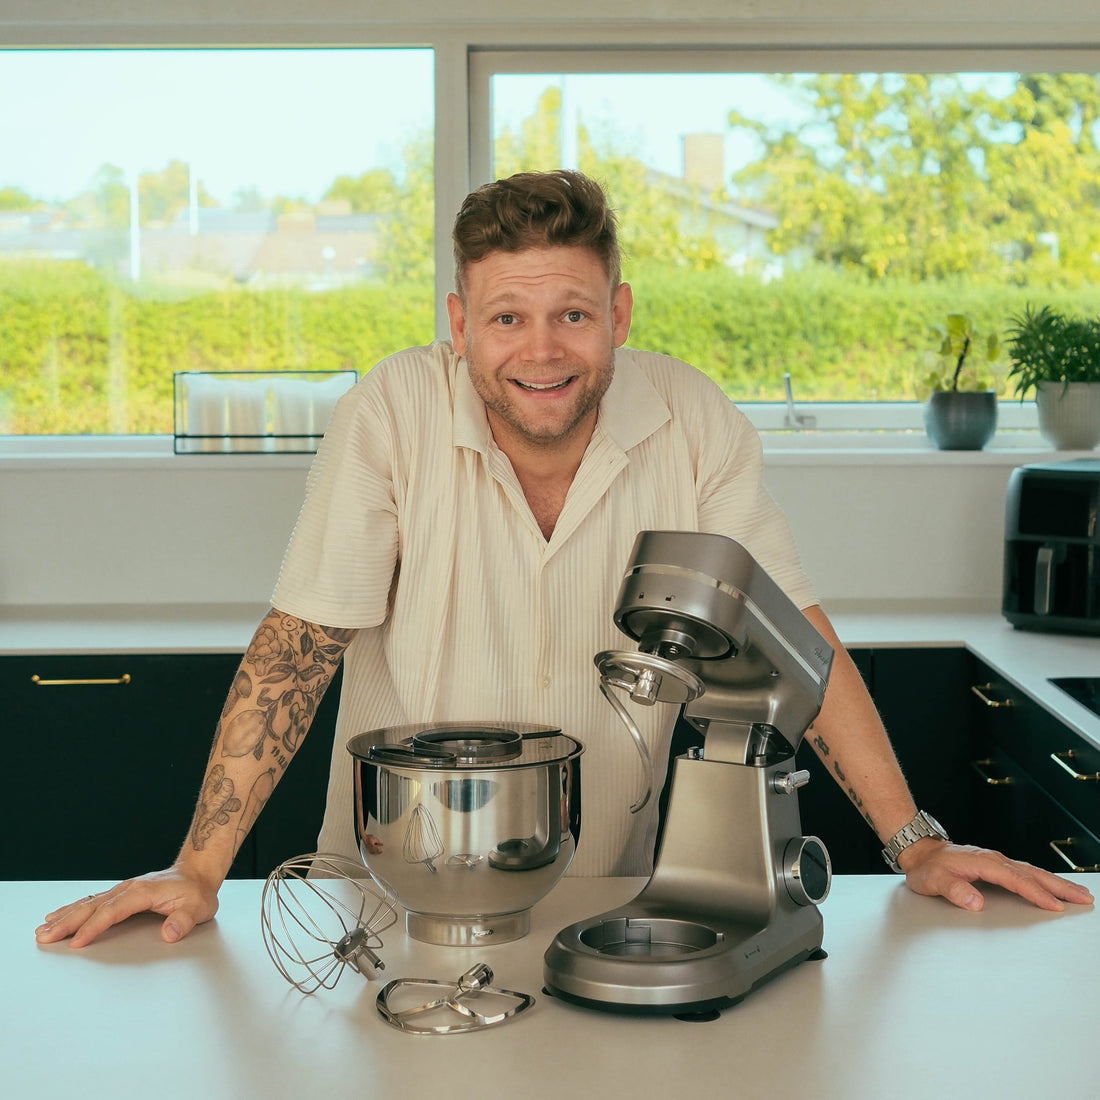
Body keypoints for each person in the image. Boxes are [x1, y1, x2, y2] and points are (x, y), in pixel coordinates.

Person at [36, 170, 1092, 949]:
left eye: (572, 314)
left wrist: (915, 843)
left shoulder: (693, 421)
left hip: (605, 895)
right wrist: (197, 869)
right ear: (461, 325)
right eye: (507, 317)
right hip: (387, 896)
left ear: (617, 315)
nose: (540, 350)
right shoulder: (391, 412)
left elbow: (792, 639)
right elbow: (301, 645)